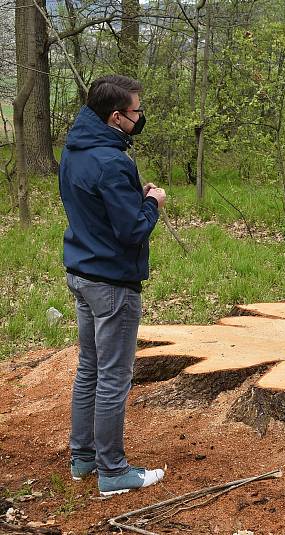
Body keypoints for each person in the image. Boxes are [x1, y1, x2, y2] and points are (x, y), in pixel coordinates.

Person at [59, 75, 167, 495]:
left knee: (89, 368)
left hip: (82, 272)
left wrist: (128, 195)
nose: (140, 118)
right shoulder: (112, 160)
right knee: (114, 376)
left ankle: (82, 458)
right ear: (116, 116)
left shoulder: (75, 150)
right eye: (136, 112)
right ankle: (113, 471)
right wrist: (151, 202)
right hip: (112, 283)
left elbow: (94, 203)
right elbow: (132, 230)